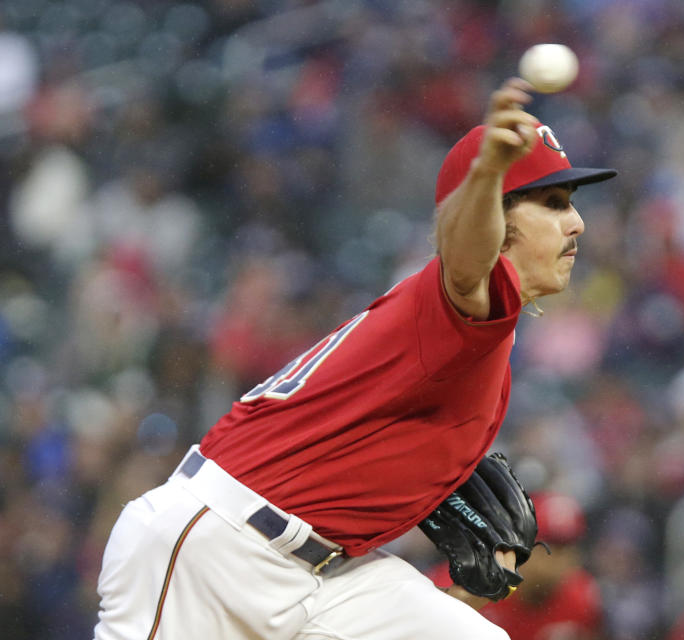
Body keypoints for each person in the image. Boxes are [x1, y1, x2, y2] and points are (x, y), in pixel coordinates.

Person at [92, 77, 616, 640]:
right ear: (496, 219)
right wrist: (486, 176)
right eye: (555, 203)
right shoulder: (454, 304)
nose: (576, 223)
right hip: (218, 548)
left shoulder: (480, 340)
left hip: (330, 575)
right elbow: (463, 262)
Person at [479, 492, 604, 640]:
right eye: (552, 546)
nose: (562, 560)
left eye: (569, 547)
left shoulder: (583, 600)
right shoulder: (473, 584)